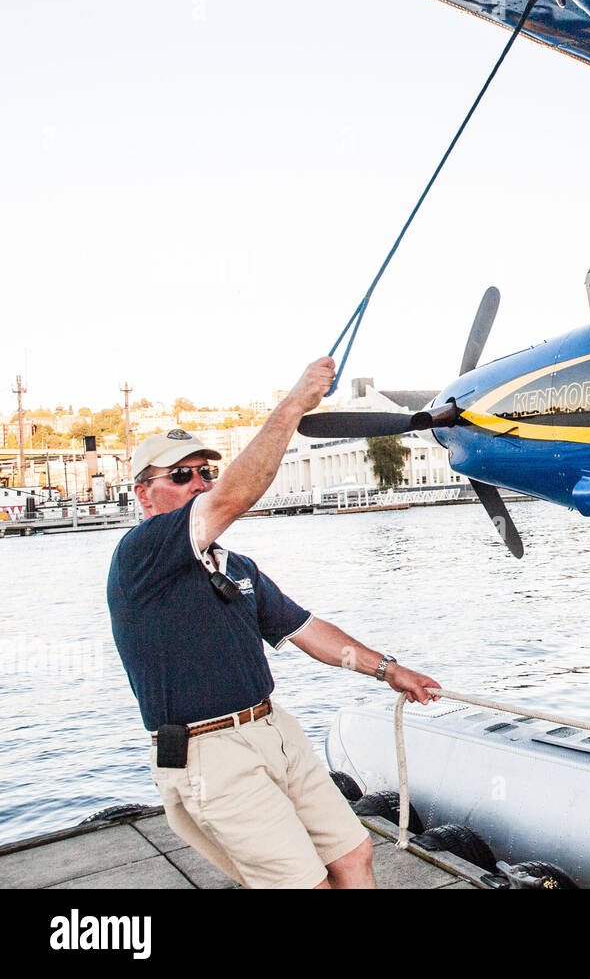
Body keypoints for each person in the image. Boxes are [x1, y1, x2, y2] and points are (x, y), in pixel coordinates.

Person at [107, 356, 439, 889]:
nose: (200, 482)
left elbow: (307, 630)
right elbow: (236, 496)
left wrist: (389, 670)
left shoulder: (235, 568)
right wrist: (293, 406)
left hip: (273, 729)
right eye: (181, 475)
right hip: (209, 752)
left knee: (353, 853)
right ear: (145, 494)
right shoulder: (141, 554)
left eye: (205, 472)